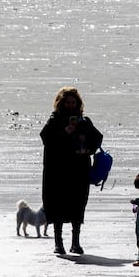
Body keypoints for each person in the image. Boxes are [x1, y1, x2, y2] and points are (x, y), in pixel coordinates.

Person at [41, 87, 103, 255]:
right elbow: (46, 138)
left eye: (73, 102)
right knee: (58, 206)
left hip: (78, 170)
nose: (70, 105)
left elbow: (98, 138)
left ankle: (76, 242)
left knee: (77, 205)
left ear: (78, 104)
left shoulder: (84, 120)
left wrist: (88, 148)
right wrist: (65, 132)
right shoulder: (54, 120)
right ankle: (58, 243)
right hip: (58, 171)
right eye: (67, 102)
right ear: (61, 103)